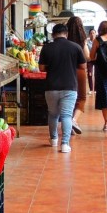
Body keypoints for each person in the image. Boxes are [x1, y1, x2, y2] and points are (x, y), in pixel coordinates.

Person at [38, 23, 87, 153]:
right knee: (66, 116)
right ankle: (65, 144)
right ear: (66, 34)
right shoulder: (75, 47)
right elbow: (83, 66)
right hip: (69, 87)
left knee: (53, 114)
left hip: (51, 87)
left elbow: (41, 68)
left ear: (53, 34)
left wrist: (52, 67)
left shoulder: (47, 48)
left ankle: (53, 139)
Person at [65, 16, 89, 135]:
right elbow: (87, 56)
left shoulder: (65, 38)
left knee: (69, 97)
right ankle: (74, 120)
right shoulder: (82, 40)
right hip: (80, 70)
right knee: (81, 97)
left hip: (67, 70)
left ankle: (69, 122)